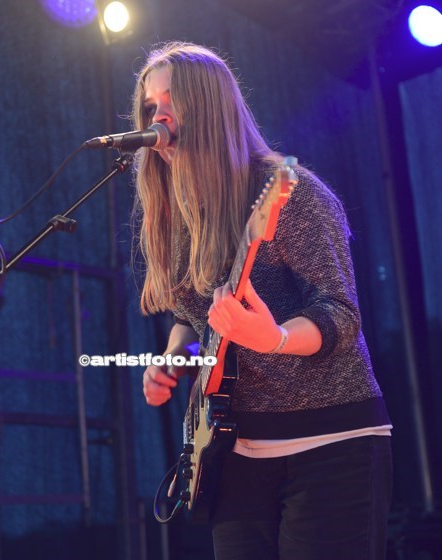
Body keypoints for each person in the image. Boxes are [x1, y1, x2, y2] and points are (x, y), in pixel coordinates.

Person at [132, 41, 392, 560]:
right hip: (235, 451)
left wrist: (272, 338)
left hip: (330, 441)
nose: (157, 117)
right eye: (150, 105)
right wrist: (175, 357)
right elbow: (190, 317)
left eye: (171, 102)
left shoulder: (293, 194)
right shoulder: (179, 212)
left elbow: (340, 314)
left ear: (209, 108)